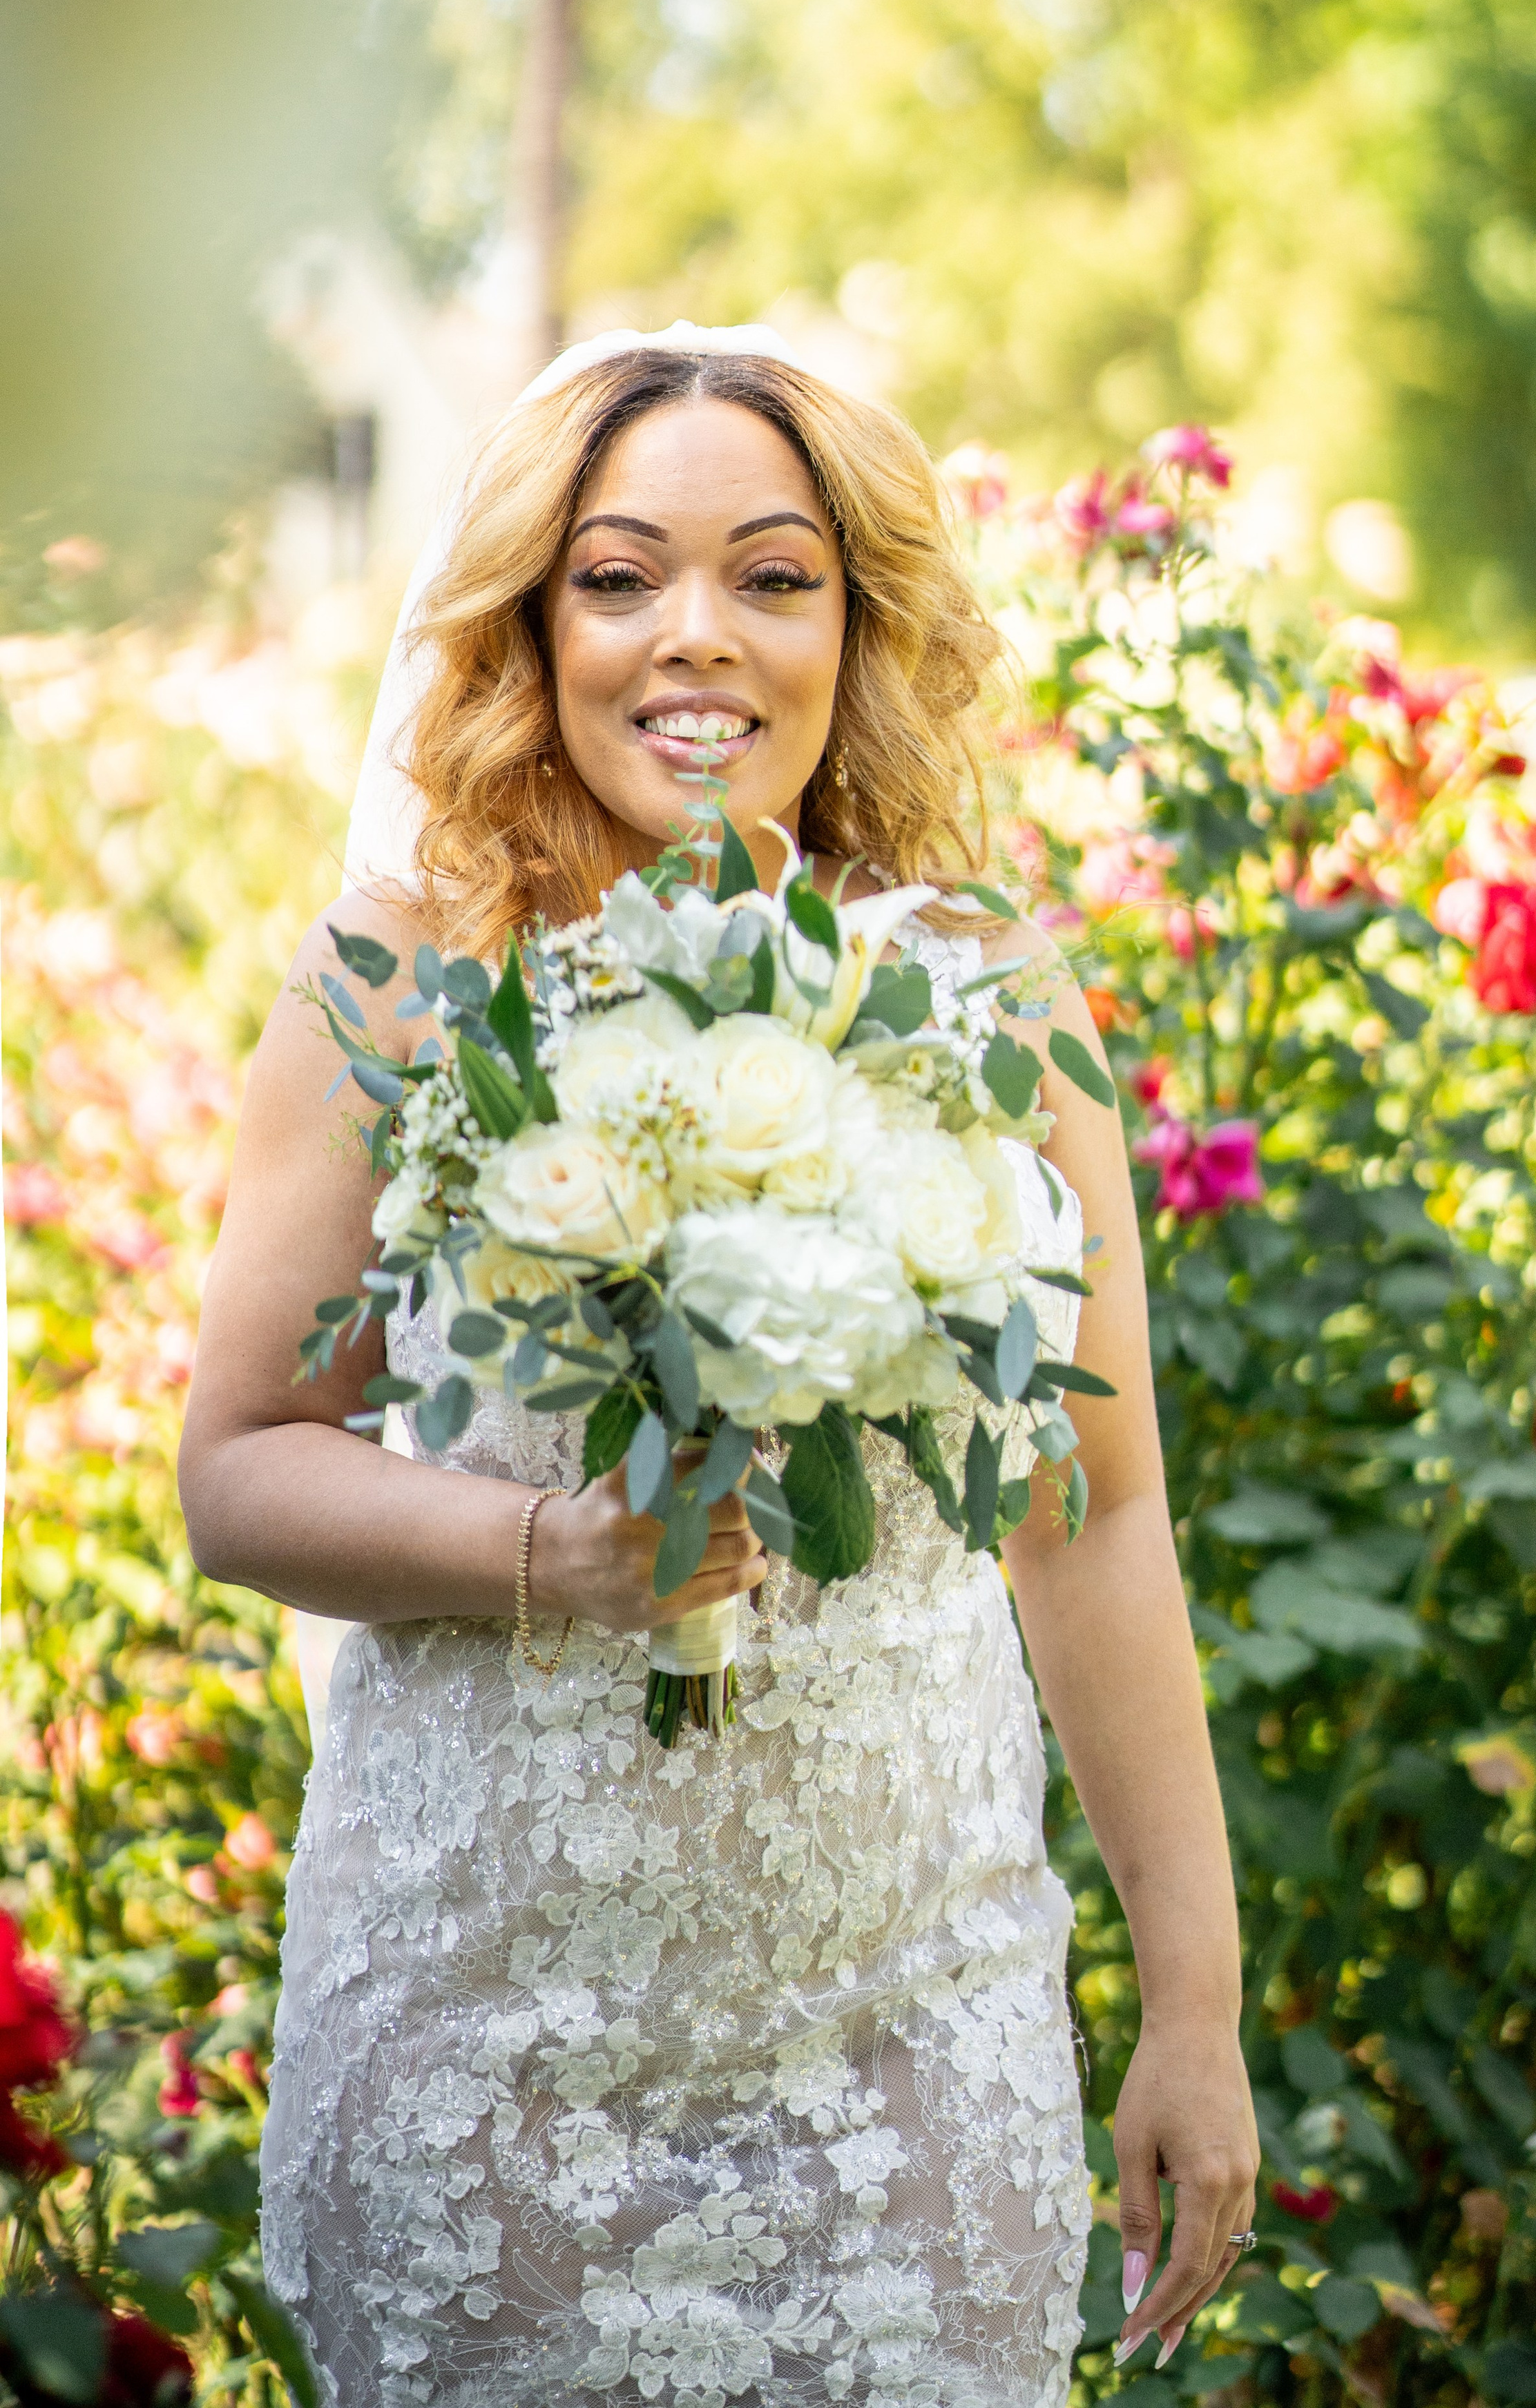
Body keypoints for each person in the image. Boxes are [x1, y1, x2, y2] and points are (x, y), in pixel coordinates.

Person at [178, 325, 1258, 2407]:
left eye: (774, 577)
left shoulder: (985, 999)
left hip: (912, 2040)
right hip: (491, 2056)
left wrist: (1192, 2006)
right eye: (619, 575)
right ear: (528, 618)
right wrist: (556, 1556)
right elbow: (239, 1468)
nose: (698, 637)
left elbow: (1098, 1514)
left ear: (857, 628)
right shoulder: (400, 987)